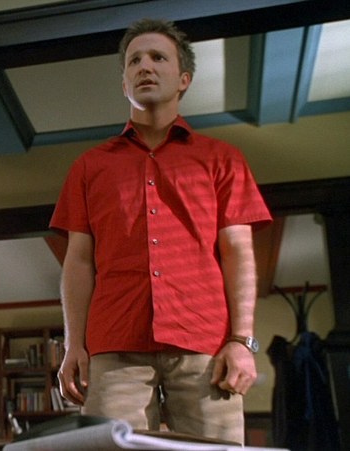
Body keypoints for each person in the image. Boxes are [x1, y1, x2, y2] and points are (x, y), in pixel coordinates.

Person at [50, 18, 272, 444]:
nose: (145, 67)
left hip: (206, 345)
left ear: (183, 79)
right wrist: (73, 344)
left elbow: (239, 253)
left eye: (157, 58)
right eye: (134, 61)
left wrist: (242, 341)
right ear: (124, 84)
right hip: (114, 346)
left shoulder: (222, 159)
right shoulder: (89, 167)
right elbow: (78, 261)